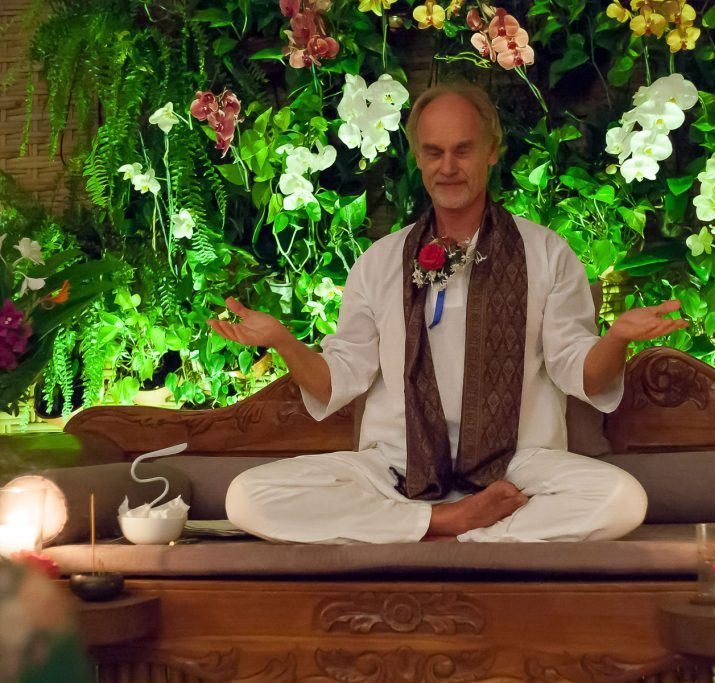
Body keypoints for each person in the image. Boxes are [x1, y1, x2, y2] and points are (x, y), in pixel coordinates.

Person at [210, 82, 686, 543]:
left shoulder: (547, 253)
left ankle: (420, 530)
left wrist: (617, 338)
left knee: (621, 499)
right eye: (434, 152)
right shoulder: (379, 261)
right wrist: (282, 340)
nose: (448, 167)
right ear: (418, 158)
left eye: (463, 150)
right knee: (248, 497)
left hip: (519, 466)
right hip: (397, 465)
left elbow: (582, 375)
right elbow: (337, 382)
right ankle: (448, 523)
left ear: (491, 151)